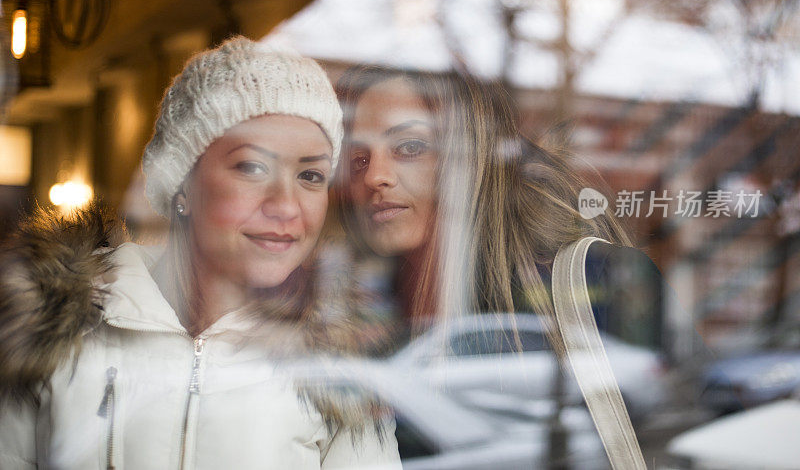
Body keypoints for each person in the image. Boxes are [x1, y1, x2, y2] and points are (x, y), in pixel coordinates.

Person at [0, 38, 401, 469]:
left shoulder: (338, 368)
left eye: (310, 175)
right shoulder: (55, 326)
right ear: (181, 182)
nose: (286, 205)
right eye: (252, 167)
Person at [334, 66, 667, 345]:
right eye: (359, 157)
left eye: (409, 147)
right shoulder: (381, 291)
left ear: (467, 160)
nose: (374, 176)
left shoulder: (569, 279)